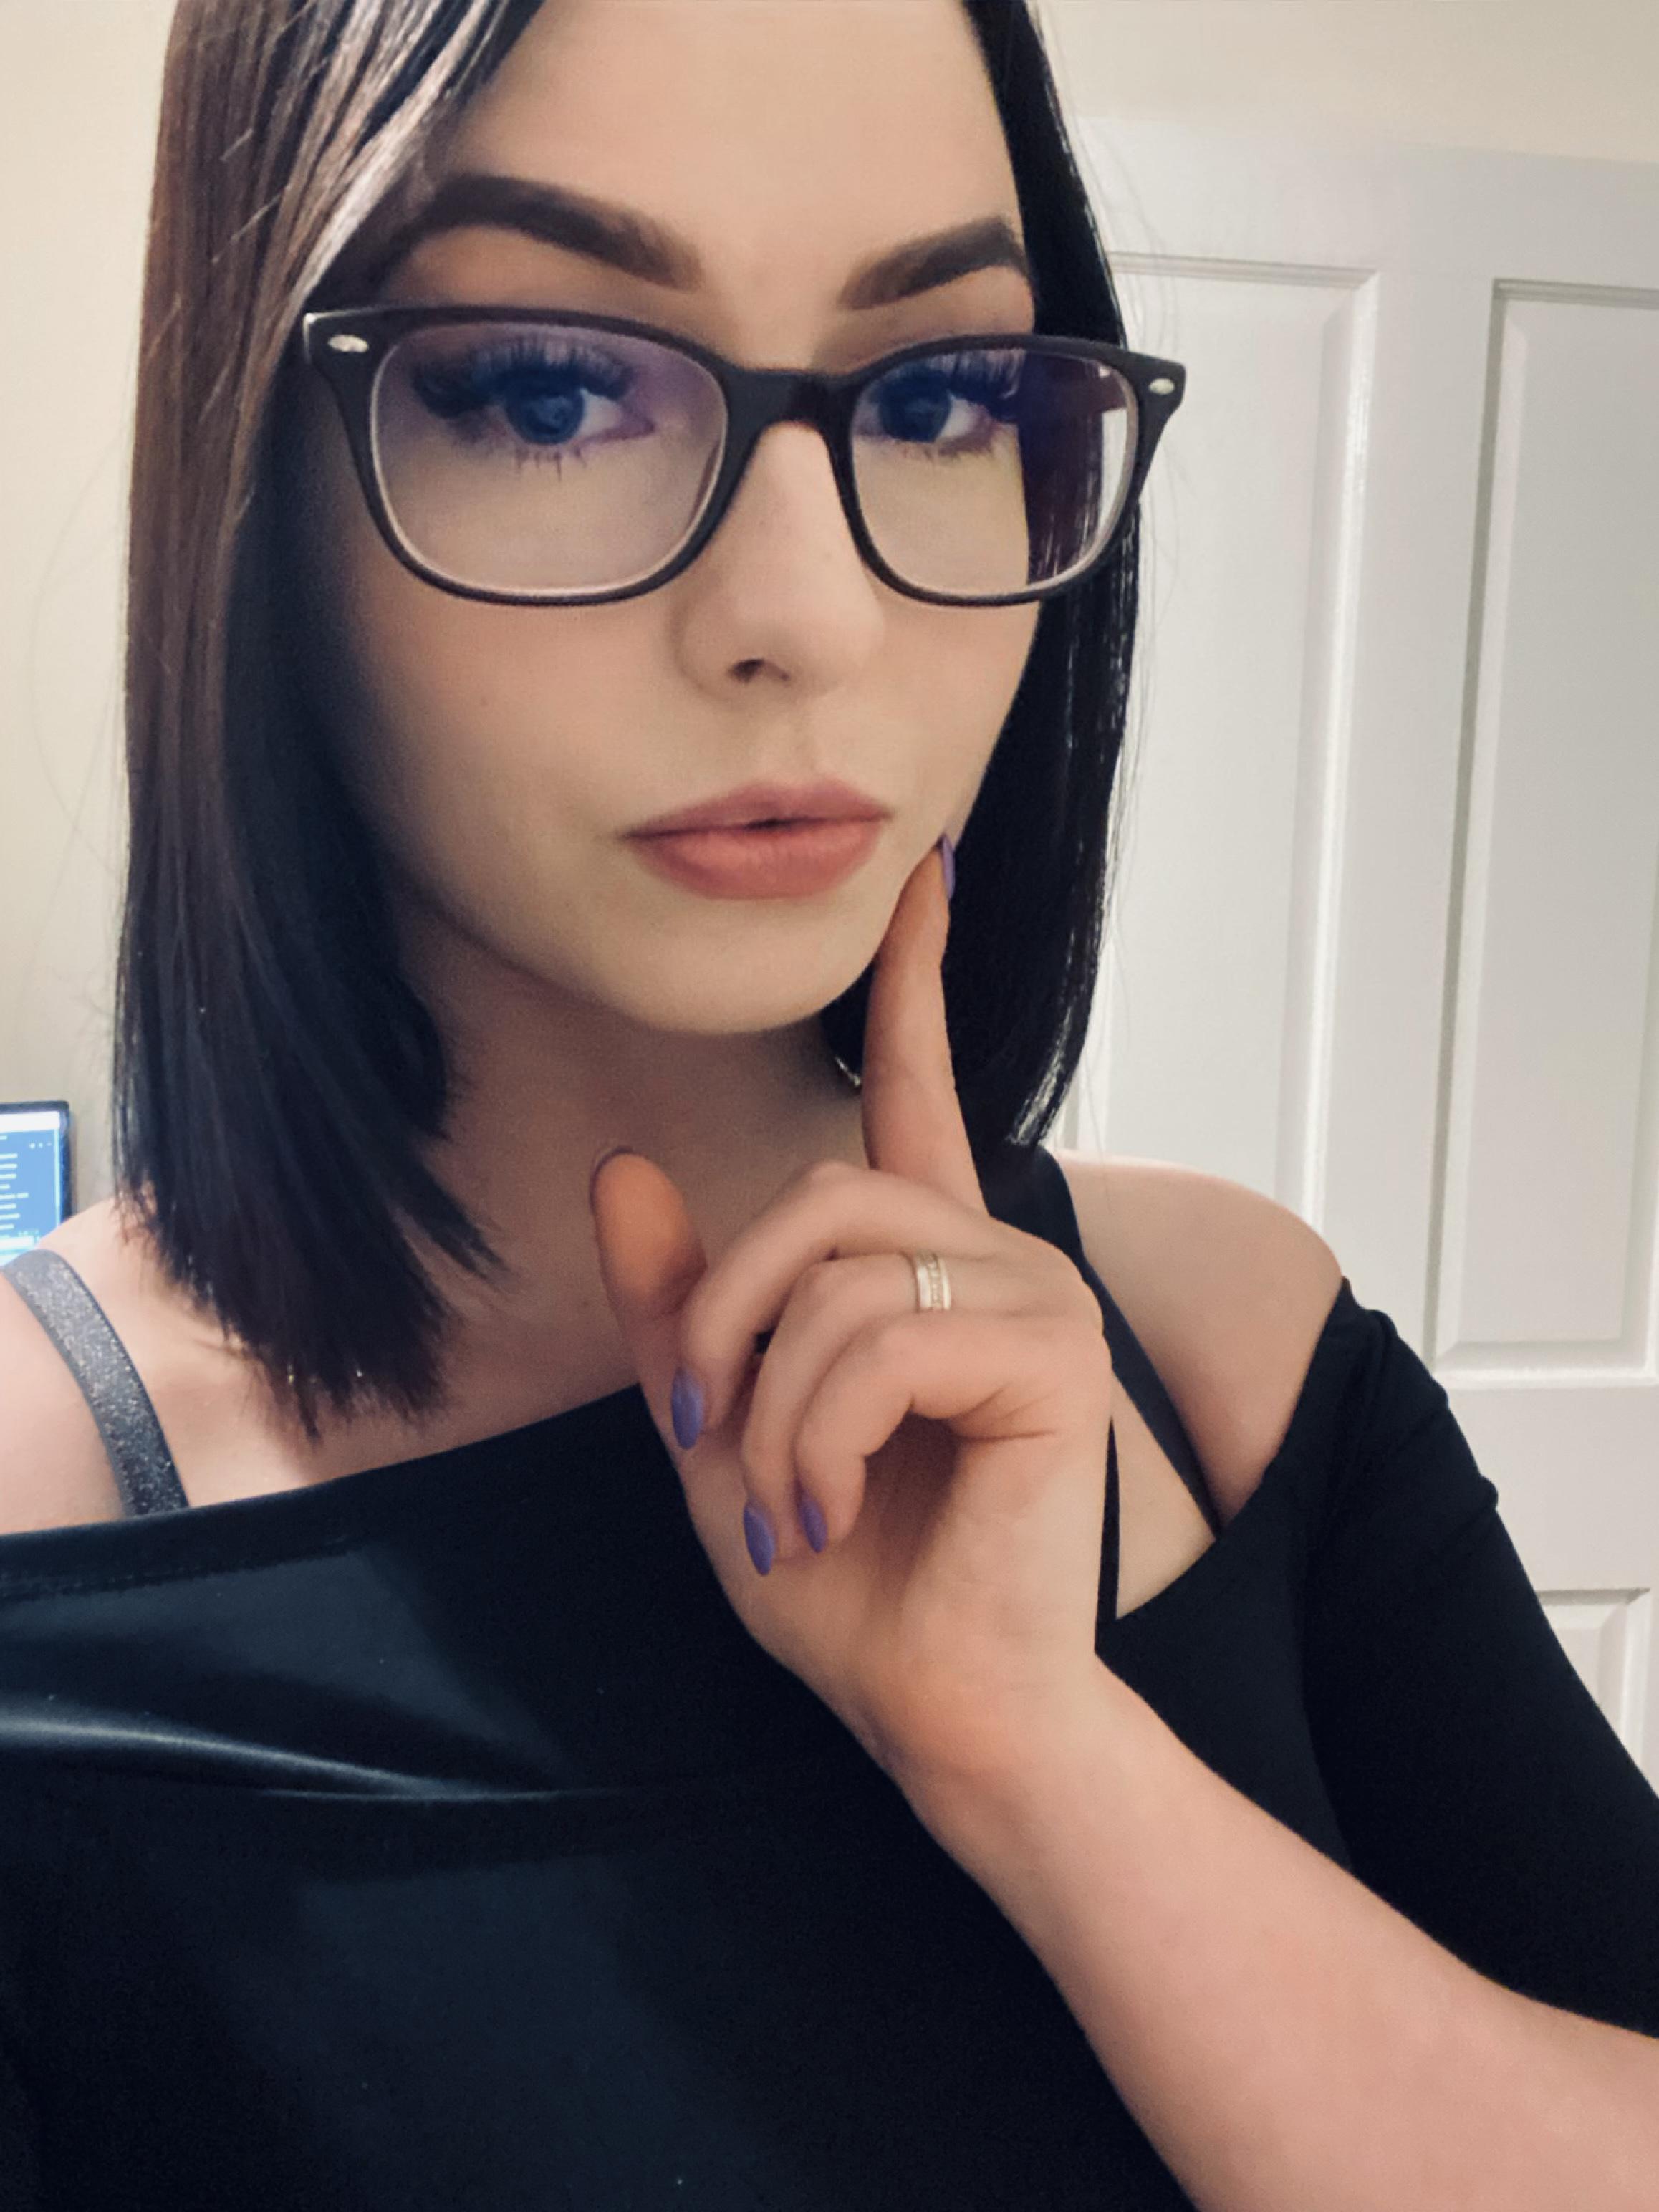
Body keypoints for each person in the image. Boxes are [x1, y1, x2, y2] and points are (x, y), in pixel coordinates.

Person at [1, 1, 1658, 2206]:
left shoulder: (1219, 1346)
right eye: (548, 387)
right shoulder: (47, 1522)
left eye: (944, 392)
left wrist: (1044, 1761)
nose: (810, 612)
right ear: (255, 477)